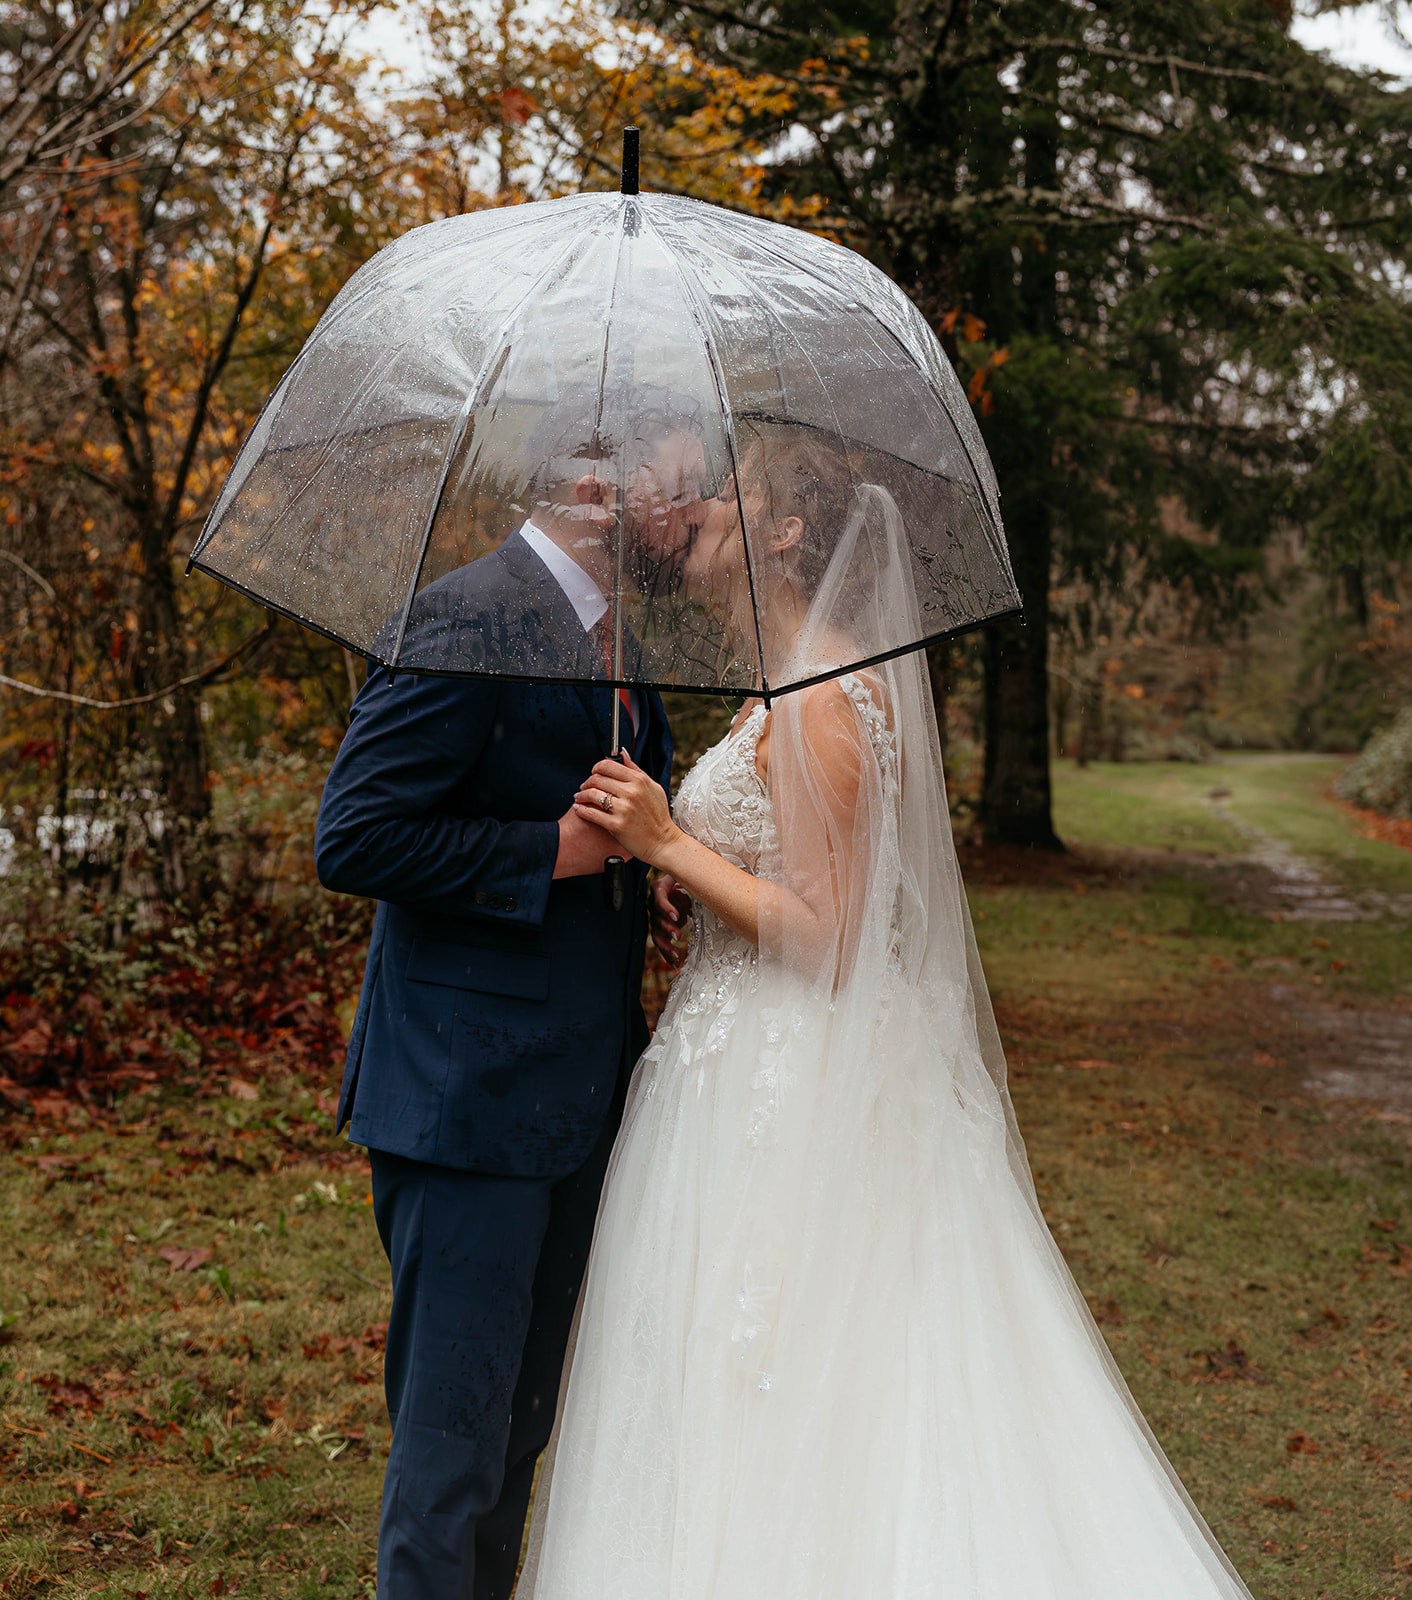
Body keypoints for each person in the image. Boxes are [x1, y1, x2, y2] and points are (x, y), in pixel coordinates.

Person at [517, 431, 1256, 1600]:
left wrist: (664, 841)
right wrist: (694, 868)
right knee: (712, 1371)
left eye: (729, 493)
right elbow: (786, 871)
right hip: (732, 1055)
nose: (698, 507)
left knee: (782, 1370)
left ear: (789, 534)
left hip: (787, 1079)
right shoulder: (789, 680)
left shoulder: (821, 695)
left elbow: (826, 933)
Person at [313, 395, 710, 1600]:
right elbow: (356, 836)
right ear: (600, 485)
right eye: (679, 486)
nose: (690, 514)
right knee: (451, 1448)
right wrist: (550, 855)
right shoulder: (462, 617)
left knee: (521, 1432)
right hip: (464, 1099)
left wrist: (653, 876)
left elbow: (613, 812)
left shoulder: (619, 643)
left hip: (578, 1096)